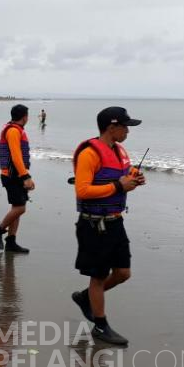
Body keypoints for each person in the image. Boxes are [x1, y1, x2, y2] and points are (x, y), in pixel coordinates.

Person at [69, 107, 146, 345]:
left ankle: (86, 298)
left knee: (123, 273)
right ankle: (100, 326)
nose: (128, 131)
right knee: (99, 276)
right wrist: (119, 186)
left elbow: (122, 174)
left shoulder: (119, 150)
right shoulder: (89, 153)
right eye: (125, 127)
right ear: (112, 127)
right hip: (94, 225)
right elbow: (82, 190)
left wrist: (134, 177)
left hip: (115, 221)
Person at [0, 104, 35, 253]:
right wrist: (26, 176)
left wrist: (25, 175)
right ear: (25, 117)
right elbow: (16, 156)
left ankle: (11, 242)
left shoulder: (15, 129)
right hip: (12, 176)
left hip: (16, 175)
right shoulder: (13, 131)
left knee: (17, 207)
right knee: (20, 208)